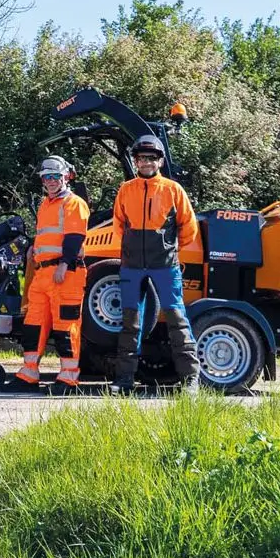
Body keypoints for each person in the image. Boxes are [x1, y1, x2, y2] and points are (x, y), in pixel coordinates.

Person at [111, 134, 200, 396]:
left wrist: (169, 248)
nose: (146, 162)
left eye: (151, 158)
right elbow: (118, 224)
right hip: (132, 265)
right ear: (135, 161)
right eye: (141, 158)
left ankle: (190, 381)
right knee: (130, 321)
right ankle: (125, 380)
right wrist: (130, 246)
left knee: (176, 318)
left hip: (165, 265)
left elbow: (189, 227)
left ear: (159, 161)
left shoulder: (173, 189)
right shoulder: (126, 189)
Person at [9, 155, 90, 394]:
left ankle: (68, 379)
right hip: (43, 273)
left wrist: (65, 264)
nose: (51, 181)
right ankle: (29, 374)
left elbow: (75, 237)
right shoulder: (46, 204)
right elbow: (48, 236)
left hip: (65, 273)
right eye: (47, 177)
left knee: (66, 325)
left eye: (55, 176)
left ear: (66, 177)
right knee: (33, 323)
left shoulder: (74, 203)